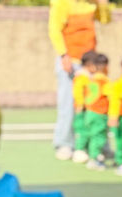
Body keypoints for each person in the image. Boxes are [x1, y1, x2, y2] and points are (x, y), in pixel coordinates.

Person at [48, 0, 110, 160]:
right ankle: (64, 144)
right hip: (70, 60)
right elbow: (54, 30)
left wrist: (103, 5)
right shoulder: (62, 3)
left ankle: (95, 145)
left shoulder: (92, 3)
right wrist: (63, 55)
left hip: (90, 63)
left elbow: (105, 20)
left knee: (95, 104)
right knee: (68, 104)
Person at [84, 51, 110, 170]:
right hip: (99, 113)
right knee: (98, 137)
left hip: (89, 112)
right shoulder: (104, 81)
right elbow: (111, 95)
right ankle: (94, 159)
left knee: (92, 135)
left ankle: (93, 155)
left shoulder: (91, 80)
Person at [71, 49, 96, 163]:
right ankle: (79, 150)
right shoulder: (81, 77)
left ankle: (89, 149)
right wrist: (80, 104)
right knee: (81, 130)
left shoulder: (91, 76)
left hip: (90, 108)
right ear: (89, 65)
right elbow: (78, 92)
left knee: (90, 129)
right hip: (82, 109)